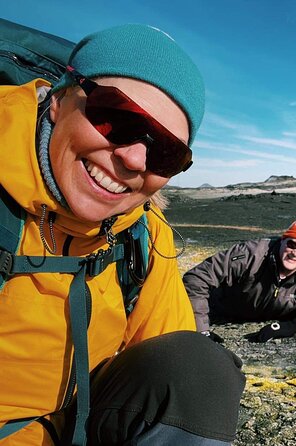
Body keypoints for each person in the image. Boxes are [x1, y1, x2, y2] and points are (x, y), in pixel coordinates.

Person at [0, 24, 245, 445]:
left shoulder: (145, 231)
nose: (134, 159)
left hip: (80, 426)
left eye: (166, 152)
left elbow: (173, 359)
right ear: (59, 99)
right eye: (115, 117)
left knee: (200, 368)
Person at [183, 216, 296, 342]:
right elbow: (196, 278)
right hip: (220, 312)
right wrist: (201, 331)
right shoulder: (251, 254)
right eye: (292, 244)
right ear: (282, 240)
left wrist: (295, 325)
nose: (295, 253)